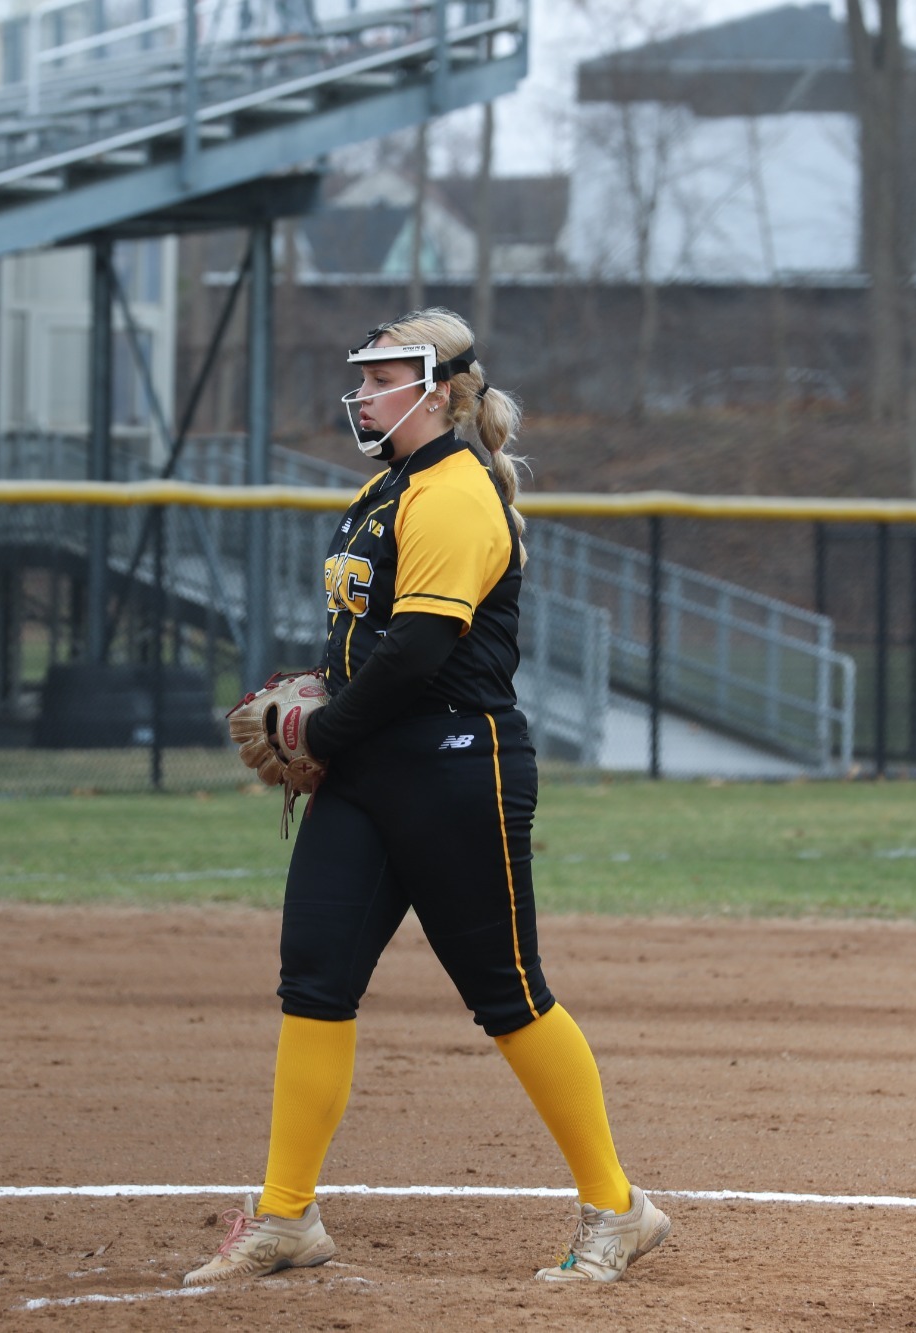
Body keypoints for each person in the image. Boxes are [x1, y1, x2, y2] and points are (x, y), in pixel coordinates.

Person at [186, 309, 668, 1285]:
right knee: (313, 980)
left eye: (382, 377)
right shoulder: (382, 490)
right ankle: (286, 1216)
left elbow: (415, 653)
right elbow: (367, 650)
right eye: (360, 376)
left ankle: (618, 1207)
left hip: (457, 767)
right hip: (367, 777)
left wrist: (317, 729)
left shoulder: (456, 493)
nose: (362, 392)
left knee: (508, 995)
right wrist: (323, 698)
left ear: (438, 389)